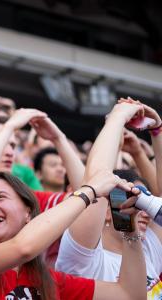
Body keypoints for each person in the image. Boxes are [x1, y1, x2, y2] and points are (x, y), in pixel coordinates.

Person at [0, 170, 146, 299]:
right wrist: (89, 191)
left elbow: (131, 295)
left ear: (28, 212)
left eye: (0, 197)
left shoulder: (48, 281)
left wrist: (127, 223)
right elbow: (23, 248)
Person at [55, 100, 162, 299]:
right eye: (135, 201)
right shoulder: (86, 259)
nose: (144, 212)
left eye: (146, 202)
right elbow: (97, 178)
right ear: (105, 209)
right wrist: (117, 118)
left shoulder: (145, 247)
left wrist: (157, 130)